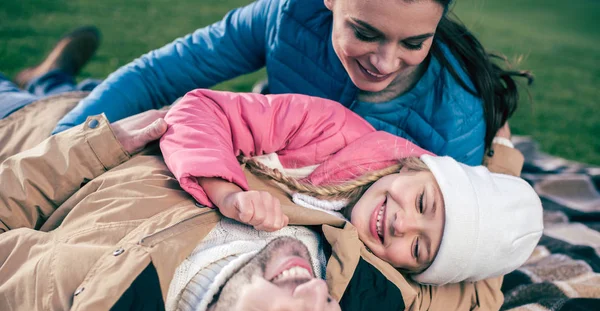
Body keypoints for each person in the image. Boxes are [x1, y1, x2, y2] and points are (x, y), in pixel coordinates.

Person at [1, 85, 539, 311]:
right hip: (166, 114)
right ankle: (53, 72)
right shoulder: (371, 294)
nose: (317, 297)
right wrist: (500, 159)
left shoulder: (64, 298)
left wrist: (97, 146)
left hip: (27, 130)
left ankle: (42, 75)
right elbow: (479, 285)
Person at [45, 0, 531, 170]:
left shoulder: (457, 111)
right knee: (44, 117)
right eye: (365, 33)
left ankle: (52, 78)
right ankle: (52, 80)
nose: (385, 62)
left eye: (414, 42)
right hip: (254, 139)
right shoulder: (287, 15)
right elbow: (157, 74)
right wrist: (58, 149)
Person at [160, 88, 543, 285]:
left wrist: (506, 164)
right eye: (423, 202)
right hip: (165, 179)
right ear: (416, 167)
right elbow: (200, 108)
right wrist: (228, 192)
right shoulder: (329, 128)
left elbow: (479, 292)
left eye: (418, 246)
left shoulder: (379, 271)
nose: (402, 224)